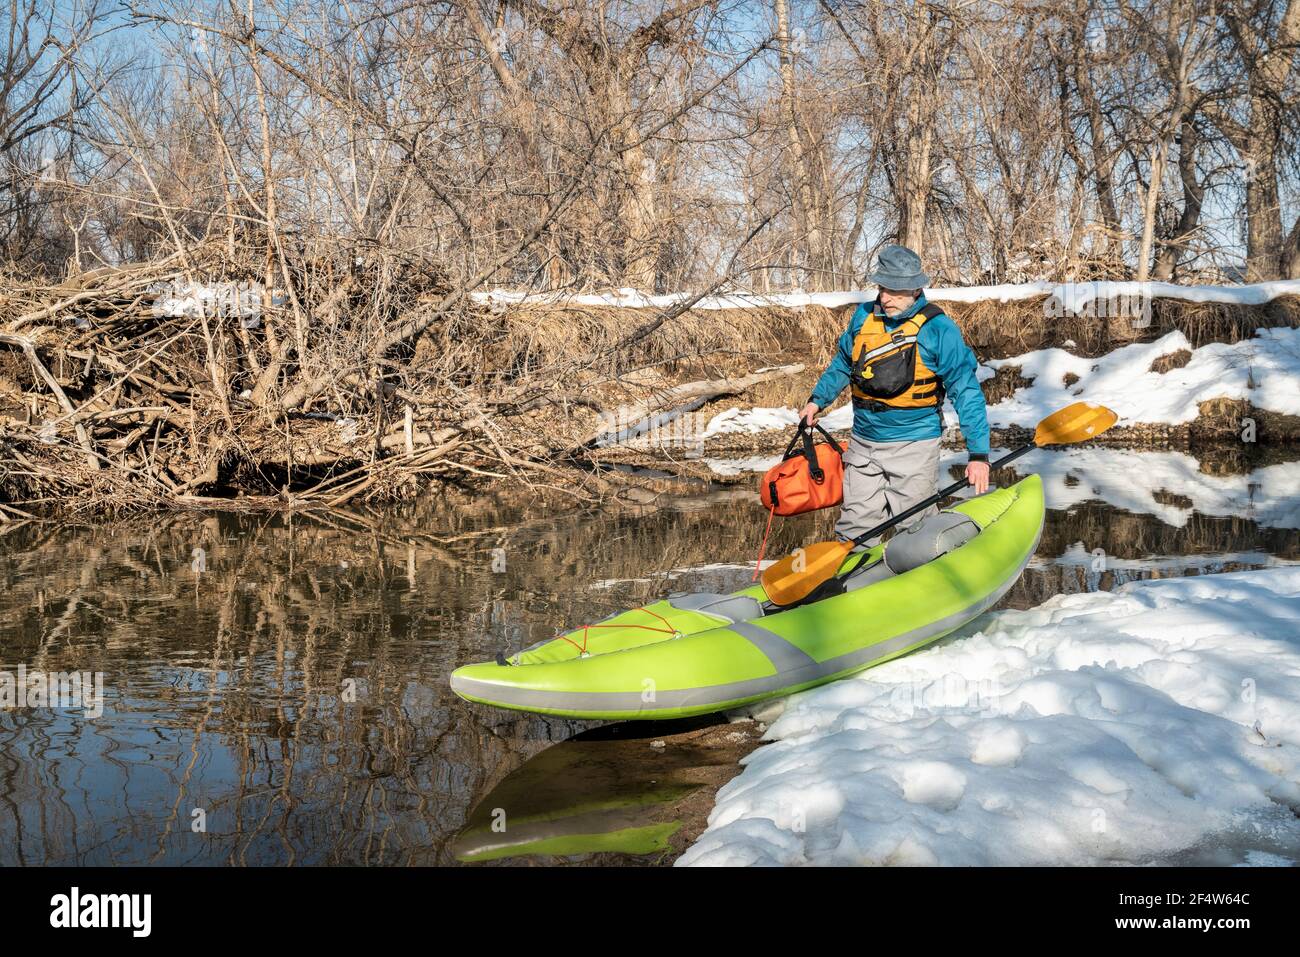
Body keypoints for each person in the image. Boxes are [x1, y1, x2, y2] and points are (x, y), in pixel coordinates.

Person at [801, 244, 990, 548]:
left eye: (894, 290)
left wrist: (978, 455)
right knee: (854, 529)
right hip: (863, 443)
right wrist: (817, 400)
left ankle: (928, 569)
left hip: (914, 444)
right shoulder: (863, 317)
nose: (885, 297)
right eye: (882, 288)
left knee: (915, 530)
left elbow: (966, 391)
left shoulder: (938, 329)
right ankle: (856, 573)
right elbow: (843, 364)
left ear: (915, 289)